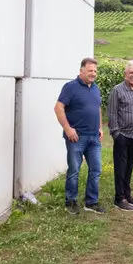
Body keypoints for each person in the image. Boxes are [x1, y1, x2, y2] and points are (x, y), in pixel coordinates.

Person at [54, 57, 105, 215]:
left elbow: (97, 108)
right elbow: (58, 108)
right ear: (81, 70)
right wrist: (68, 129)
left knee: (96, 169)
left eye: (95, 71)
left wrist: (100, 127)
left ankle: (91, 202)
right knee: (74, 170)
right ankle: (71, 201)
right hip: (77, 137)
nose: (93, 73)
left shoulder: (95, 88)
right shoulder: (70, 87)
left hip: (94, 138)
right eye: (90, 70)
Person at [106, 60, 133, 211]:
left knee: (129, 166)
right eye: (131, 73)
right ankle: (119, 198)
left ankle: (128, 195)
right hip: (122, 135)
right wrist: (116, 134)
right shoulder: (117, 90)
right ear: (125, 74)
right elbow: (112, 113)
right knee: (120, 167)